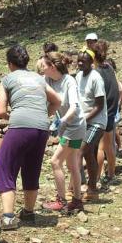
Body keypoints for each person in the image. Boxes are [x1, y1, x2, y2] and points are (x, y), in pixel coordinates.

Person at [0, 45, 61, 230]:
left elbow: (0, 111)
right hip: (41, 128)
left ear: (10, 63)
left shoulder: (7, 79)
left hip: (20, 126)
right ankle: (28, 212)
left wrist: (12, 116)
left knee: (5, 166)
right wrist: (43, 114)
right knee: (32, 167)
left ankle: (8, 217)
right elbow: (57, 101)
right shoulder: (38, 78)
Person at [40, 52, 86, 214]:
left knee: (55, 162)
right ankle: (77, 201)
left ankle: (61, 201)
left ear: (52, 66)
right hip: (68, 127)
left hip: (75, 127)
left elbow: (74, 106)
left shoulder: (69, 81)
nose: (41, 68)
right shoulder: (48, 80)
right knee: (72, 165)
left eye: (44, 66)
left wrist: (62, 120)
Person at [76, 48, 107, 201]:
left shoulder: (96, 78)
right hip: (83, 121)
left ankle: (75, 190)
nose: (80, 63)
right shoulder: (78, 76)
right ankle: (92, 189)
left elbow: (99, 105)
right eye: (78, 60)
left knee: (80, 151)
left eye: (84, 60)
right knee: (88, 154)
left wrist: (85, 118)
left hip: (96, 122)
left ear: (91, 62)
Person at [93, 41, 120, 183]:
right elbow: (117, 89)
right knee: (109, 146)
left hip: (101, 114)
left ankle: (96, 179)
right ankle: (111, 174)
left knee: (99, 148)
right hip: (111, 112)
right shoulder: (109, 67)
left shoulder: (96, 73)